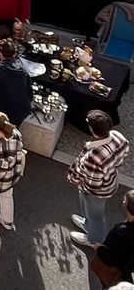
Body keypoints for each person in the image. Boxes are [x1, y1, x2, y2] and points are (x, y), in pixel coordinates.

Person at [69, 110, 131, 248]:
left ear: (91, 129)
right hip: (110, 182)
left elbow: (92, 184)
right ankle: (87, 224)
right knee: (91, 212)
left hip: (96, 192)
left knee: (95, 215)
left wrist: (78, 181)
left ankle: (93, 239)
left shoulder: (94, 157)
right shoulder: (118, 136)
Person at [0, 38, 34, 127]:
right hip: (22, 109)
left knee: (1, 131)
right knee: (13, 130)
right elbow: (29, 90)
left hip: (4, 109)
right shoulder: (22, 69)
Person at [96, 190, 134, 287]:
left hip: (117, 269)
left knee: (109, 283)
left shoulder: (121, 232)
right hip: (129, 266)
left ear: (126, 206)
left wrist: (99, 248)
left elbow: (110, 257)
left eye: (125, 201)